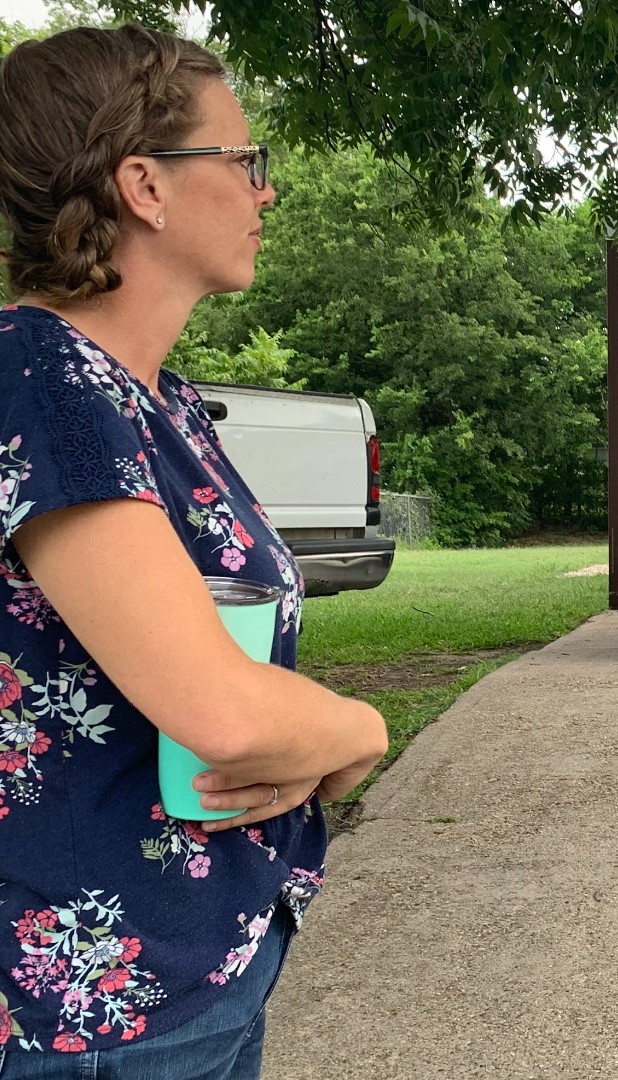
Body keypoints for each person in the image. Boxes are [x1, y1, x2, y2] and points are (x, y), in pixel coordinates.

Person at [0, 24, 388, 1076]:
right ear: (145, 186)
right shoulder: (45, 385)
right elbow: (220, 710)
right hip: (98, 1015)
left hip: (188, 963)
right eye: (244, 160)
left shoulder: (146, 396)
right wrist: (361, 725)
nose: (265, 193)